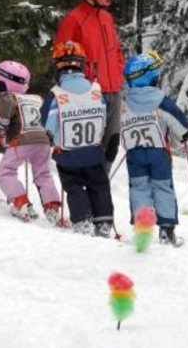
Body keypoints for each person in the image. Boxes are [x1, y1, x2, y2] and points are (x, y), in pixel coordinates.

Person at [54, 0, 125, 171]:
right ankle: (89, 185)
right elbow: (62, 56)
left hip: (114, 90)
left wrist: (119, 74)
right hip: (90, 92)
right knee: (92, 144)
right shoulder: (74, 19)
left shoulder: (106, 17)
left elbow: (117, 50)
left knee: (112, 143)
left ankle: (101, 184)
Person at [41, 41, 114, 237]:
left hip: (68, 154)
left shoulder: (56, 95)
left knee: (74, 187)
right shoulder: (96, 90)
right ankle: (104, 221)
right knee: (99, 185)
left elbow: (47, 124)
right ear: (82, 64)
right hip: (93, 152)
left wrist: (53, 139)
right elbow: (105, 114)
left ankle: (82, 220)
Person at [121, 52, 188, 246]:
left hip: (134, 153)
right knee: (163, 188)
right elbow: (180, 124)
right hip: (158, 152)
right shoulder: (160, 100)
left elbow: (122, 123)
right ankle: (166, 231)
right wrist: (184, 135)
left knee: (139, 189)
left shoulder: (125, 102)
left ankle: (143, 231)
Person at [0, 60, 62, 223]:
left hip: (21, 140)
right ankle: (52, 207)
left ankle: (20, 202)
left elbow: (3, 121)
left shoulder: (6, 97)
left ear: (6, 82)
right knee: (43, 173)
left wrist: (0, 132)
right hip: (43, 140)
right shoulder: (37, 98)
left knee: (5, 170)